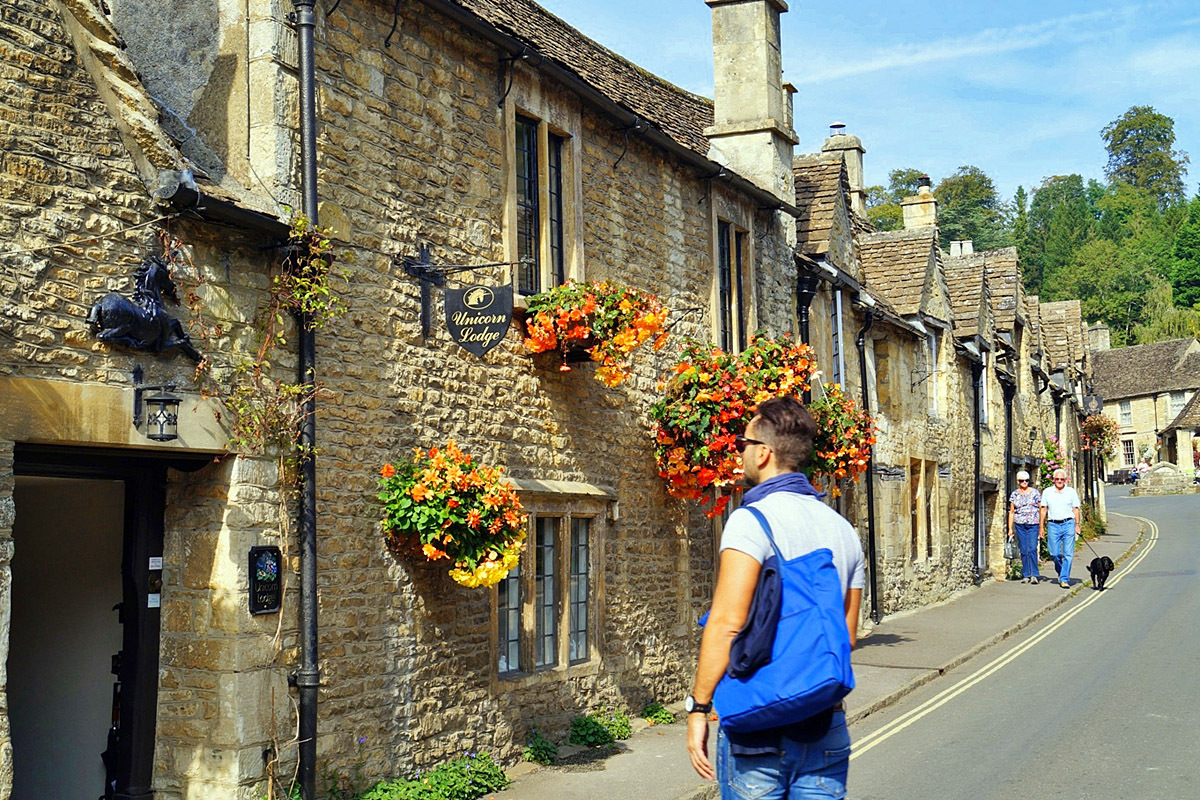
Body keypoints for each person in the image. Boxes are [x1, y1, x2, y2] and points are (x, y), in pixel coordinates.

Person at [686, 396, 865, 799]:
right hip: (825, 723)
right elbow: (848, 636)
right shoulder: (842, 529)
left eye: (743, 444)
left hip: (759, 729)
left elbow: (727, 623)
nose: (739, 454)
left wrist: (698, 708)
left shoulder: (750, 522)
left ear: (763, 453)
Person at [1039, 468, 1081, 589]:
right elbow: (1043, 509)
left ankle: (1064, 579)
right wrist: (1041, 527)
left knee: (1068, 554)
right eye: (1057, 479)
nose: (1059, 481)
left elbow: (1076, 509)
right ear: (1053, 480)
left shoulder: (1071, 492)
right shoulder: (1047, 492)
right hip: (1053, 525)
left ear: (1065, 480)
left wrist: (1077, 525)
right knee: (1054, 553)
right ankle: (1061, 571)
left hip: (1068, 524)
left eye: (1061, 479)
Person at [1007, 470, 1042, 584]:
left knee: (1032, 548)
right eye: (1022, 481)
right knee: (1023, 550)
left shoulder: (1035, 493)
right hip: (1020, 525)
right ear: (1018, 481)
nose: (1024, 482)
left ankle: (1034, 574)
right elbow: (1012, 512)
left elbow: (1041, 508)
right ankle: (1026, 574)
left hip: (1033, 524)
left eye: (1026, 480)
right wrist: (1010, 529)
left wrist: (1041, 526)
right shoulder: (1015, 494)